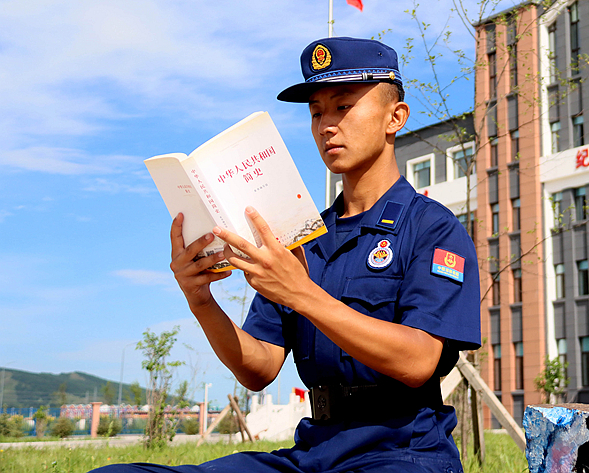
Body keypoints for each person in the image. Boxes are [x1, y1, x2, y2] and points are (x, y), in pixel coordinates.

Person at [95, 37, 481, 473]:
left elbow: (418, 361)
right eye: (316, 112)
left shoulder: (432, 228)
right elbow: (258, 367)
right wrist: (200, 300)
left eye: (343, 107)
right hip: (314, 453)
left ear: (396, 117)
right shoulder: (299, 236)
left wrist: (302, 294)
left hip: (402, 453)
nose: (326, 126)